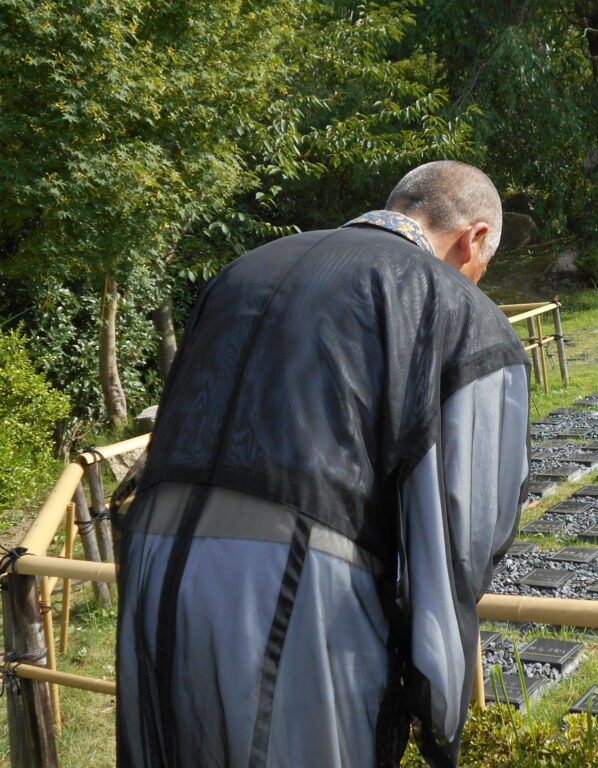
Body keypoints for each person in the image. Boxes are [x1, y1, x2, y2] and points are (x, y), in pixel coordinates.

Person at [115, 161, 531, 768]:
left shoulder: (242, 271)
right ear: (473, 239)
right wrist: (438, 707)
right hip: (300, 584)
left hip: (153, 567)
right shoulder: (456, 306)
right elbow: (464, 526)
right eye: (483, 265)